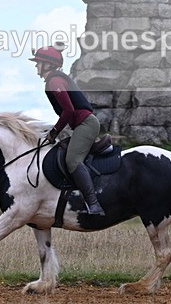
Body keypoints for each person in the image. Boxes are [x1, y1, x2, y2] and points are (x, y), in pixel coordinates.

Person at [30, 43, 105, 216]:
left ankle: (94, 204)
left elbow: (69, 110)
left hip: (85, 124)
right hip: (81, 124)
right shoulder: (54, 80)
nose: (36, 66)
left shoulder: (55, 81)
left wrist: (54, 132)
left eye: (38, 62)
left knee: (72, 160)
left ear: (48, 64)